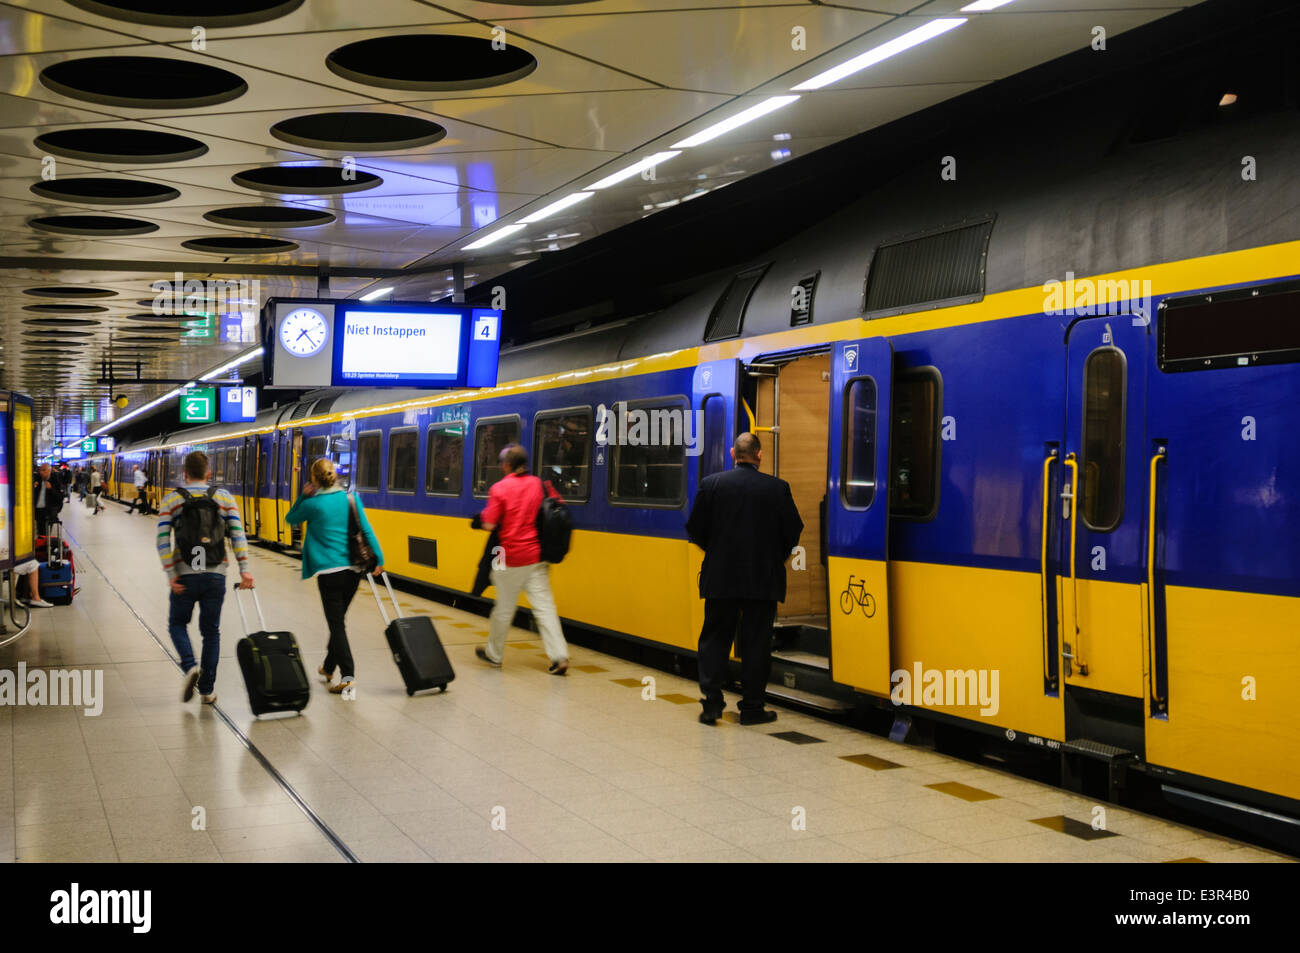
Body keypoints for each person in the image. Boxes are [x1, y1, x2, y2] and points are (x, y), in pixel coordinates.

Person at [686, 432, 804, 726]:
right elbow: (793, 531)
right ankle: (752, 708)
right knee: (756, 643)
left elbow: (695, 529)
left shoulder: (711, 485)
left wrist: (716, 551)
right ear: (760, 455)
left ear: (731, 454)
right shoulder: (778, 488)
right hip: (762, 580)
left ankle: (712, 705)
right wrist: (774, 558)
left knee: (714, 640)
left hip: (720, 578)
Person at [156, 450, 253, 705]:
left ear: (184, 473)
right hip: (215, 574)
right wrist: (245, 570)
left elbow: (162, 540)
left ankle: (190, 666)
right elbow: (237, 535)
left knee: (177, 624)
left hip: (185, 575)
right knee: (211, 632)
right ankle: (207, 690)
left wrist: (170, 574)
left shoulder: (171, 500)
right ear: (208, 473)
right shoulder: (224, 498)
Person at [284, 458, 384, 696]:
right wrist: (379, 558)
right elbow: (366, 529)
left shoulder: (313, 504)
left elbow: (291, 519)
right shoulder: (351, 498)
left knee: (337, 624)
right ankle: (329, 668)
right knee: (337, 622)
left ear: (315, 480)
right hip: (353, 571)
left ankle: (348, 676)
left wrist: (303, 496)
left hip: (329, 573)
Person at [473, 443, 570, 675]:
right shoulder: (538, 484)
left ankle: (494, 654)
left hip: (511, 558)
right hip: (536, 556)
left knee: (504, 609)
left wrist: (477, 519)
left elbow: (488, 523)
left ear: (506, 464)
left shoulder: (500, 488)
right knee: (545, 607)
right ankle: (560, 657)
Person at [34, 463, 64, 537]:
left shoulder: (56, 481)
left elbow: (60, 498)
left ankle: (45, 545)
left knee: (45, 534)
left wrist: (50, 489)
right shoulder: (37, 480)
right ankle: (41, 544)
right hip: (38, 511)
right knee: (39, 533)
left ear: (49, 471)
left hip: (49, 512)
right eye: (40, 470)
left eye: (44, 470)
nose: (41, 472)